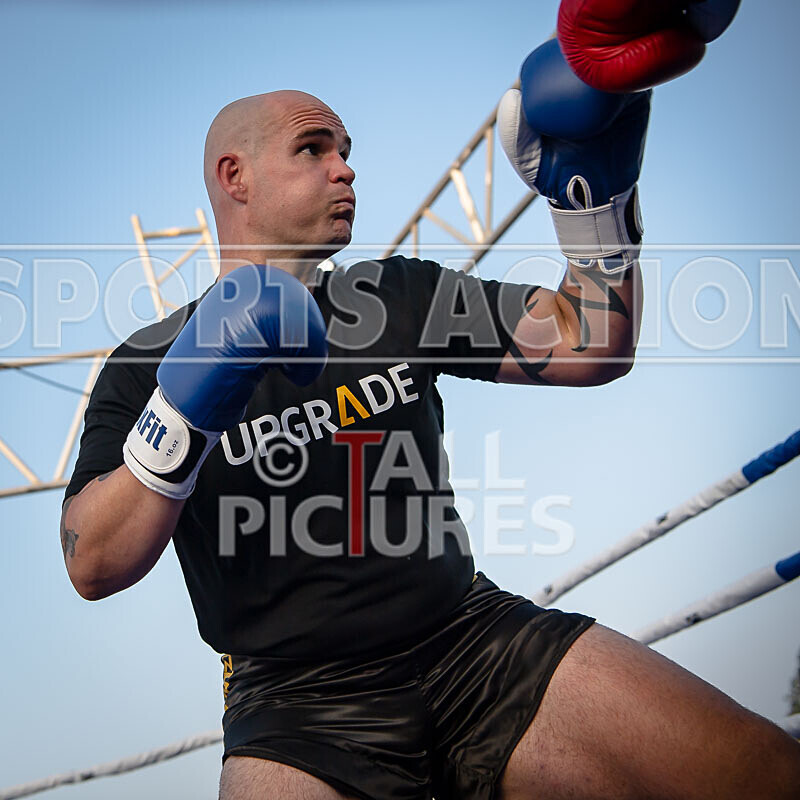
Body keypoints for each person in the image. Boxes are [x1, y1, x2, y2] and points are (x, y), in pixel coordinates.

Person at [61, 45, 800, 800]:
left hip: (474, 641)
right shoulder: (145, 362)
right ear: (235, 176)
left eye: (346, 153)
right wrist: (183, 410)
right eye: (313, 150)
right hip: (296, 707)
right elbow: (91, 562)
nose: (344, 169)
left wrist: (594, 208)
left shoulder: (396, 295)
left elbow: (592, 343)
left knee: (763, 771)